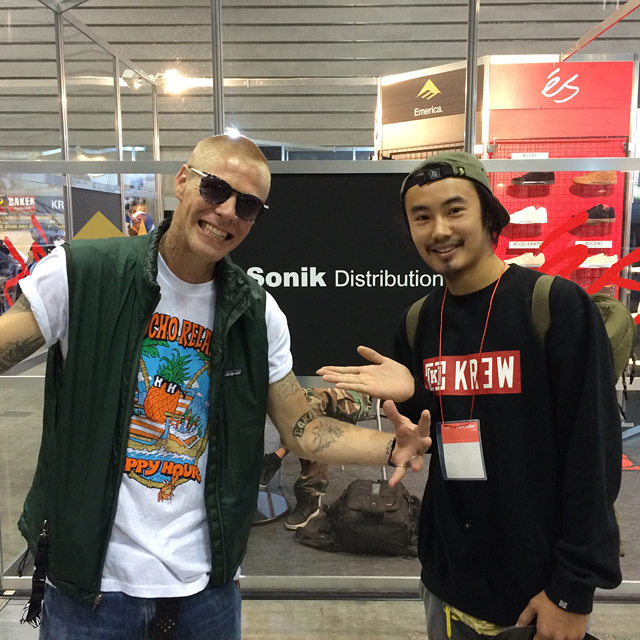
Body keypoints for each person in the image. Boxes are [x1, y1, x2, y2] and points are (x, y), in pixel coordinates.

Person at [0, 134, 431, 640]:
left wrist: (392, 446)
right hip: (91, 584)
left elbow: (302, 429)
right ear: (183, 181)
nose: (227, 211)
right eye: (215, 189)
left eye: (247, 205)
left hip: (206, 588)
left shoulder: (255, 311)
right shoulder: (85, 274)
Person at [318, 151, 622, 640]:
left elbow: (594, 456)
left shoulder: (555, 306)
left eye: (454, 210)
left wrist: (573, 588)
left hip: (537, 589)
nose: (439, 230)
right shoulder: (418, 321)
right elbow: (428, 430)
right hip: (447, 579)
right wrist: (411, 418)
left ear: (488, 215)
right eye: (421, 217)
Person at [259, 387, 371, 530]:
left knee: (307, 403)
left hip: (355, 394)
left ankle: (276, 458)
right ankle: (309, 496)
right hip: (316, 394)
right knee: (306, 409)